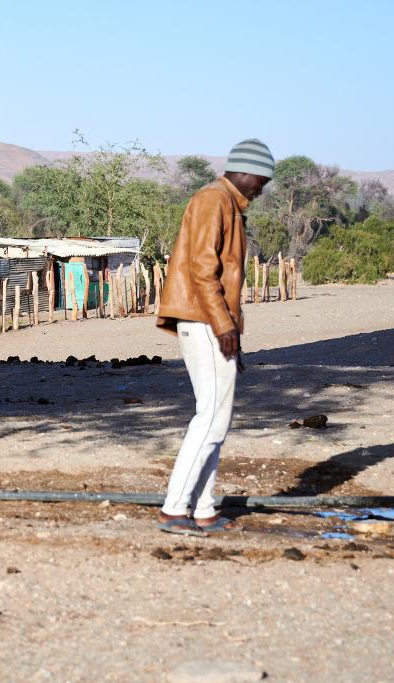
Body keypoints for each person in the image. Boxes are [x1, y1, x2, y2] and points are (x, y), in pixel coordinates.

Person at [154, 139, 275, 536]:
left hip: (210, 321)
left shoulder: (226, 202)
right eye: (262, 179)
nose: (262, 188)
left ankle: (203, 509)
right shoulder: (215, 200)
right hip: (205, 319)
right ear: (245, 171)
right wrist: (224, 326)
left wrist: (231, 331)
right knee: (211, 420)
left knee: (215, 416)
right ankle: (174, 510)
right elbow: (203, 270)